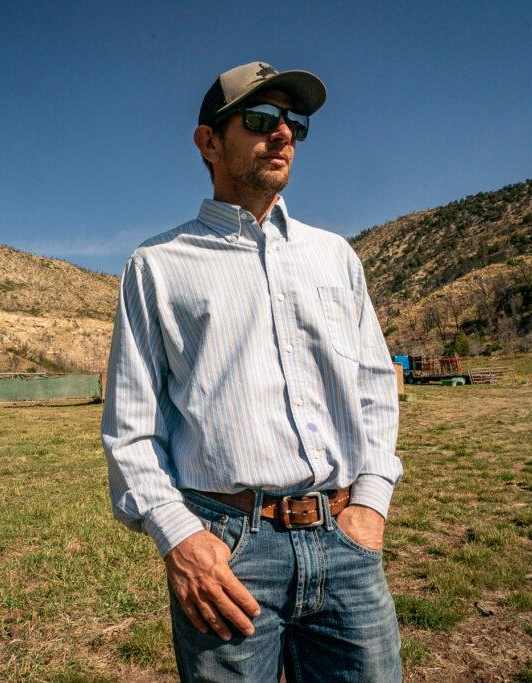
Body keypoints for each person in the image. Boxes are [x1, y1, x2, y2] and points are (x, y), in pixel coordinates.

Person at [100, 61, 403, 682]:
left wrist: (370, 503)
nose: (284, 134)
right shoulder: (158, 266)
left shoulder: (335, 256)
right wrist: (180, 538)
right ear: (209, 142)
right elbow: (131, 429)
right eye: (262, 119)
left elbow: (375, 387)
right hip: (228, 553)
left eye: (294, 122)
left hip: (346, 541)